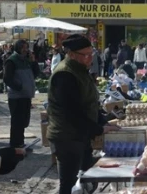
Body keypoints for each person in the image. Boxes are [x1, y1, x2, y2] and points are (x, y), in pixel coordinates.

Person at [47, 34, 120, 194]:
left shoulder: (80, 70)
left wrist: (103, 121)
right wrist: (98, 129)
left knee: (86, 178)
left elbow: (89, 104)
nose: (90, 58)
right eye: (86, 55)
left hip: (81, 135)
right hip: (67, 137)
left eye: (91, 54)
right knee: (69, 184)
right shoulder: (65, 74)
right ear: (71, 54)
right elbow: (71, 112)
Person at [3, 40, 39, 148]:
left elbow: (36, 73)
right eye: (23, 47)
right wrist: (20, 87)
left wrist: (33, 61)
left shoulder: (26, 61)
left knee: (24, 121)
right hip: (17, 96)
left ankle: (21, 142)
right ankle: (15, 144)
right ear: (18, 48)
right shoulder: (12, 61)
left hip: (26, 96)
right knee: (17, 122)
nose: (26, 49)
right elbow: (7, 78)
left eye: (26, 47)